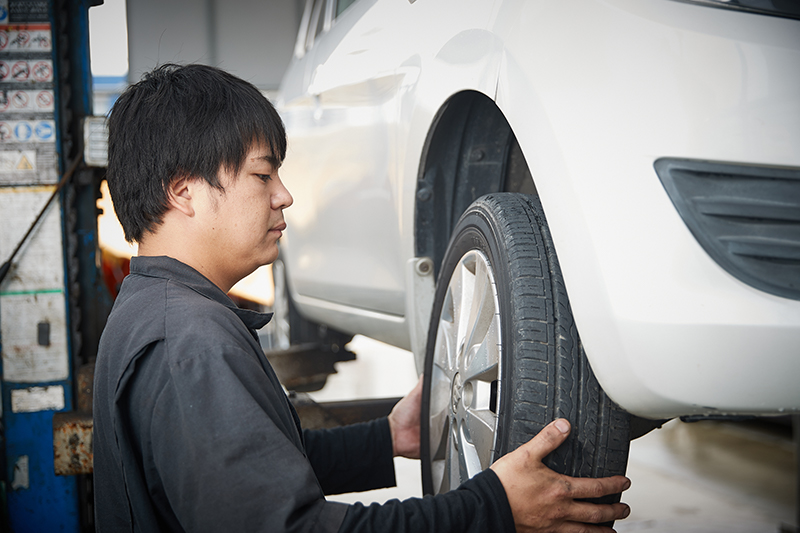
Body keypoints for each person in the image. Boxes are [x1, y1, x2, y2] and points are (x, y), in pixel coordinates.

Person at [92, 63, 631, 533]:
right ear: (184, 192)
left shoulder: (153, 310)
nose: (284, 194)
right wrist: (492, 508)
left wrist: (388, 438)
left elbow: (244, 473)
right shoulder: (189, 343)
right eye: (263, 174)